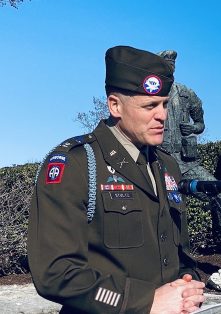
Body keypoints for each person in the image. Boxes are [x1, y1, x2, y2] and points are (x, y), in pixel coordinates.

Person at [27, 46, 205, 313]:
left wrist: (189, 285)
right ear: (115, 106)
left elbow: (178, 254)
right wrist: (144, 302)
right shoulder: (77, 163)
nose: (163, 115)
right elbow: (55, 272)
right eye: (150, 106)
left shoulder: (166, 165)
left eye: (165, 104)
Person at [157, 50, 221, 270]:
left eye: (171, 66)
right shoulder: (150, 93)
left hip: (185, 162)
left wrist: (193, 127)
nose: (169, 69)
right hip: (158, 162)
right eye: (165, 65)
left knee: (219, 192)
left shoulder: (185, 93)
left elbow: (200, 122)